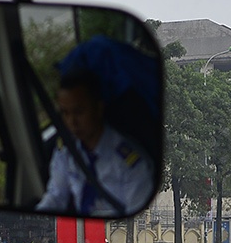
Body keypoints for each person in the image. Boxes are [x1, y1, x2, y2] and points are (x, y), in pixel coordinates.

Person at [36, 68, 155, 217]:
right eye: (65, 113)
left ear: (98, 108)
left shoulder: (131, 164)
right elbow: (56, 196)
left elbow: (137, 213)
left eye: (79, 112)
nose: (72, 122)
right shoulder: (66, 151)